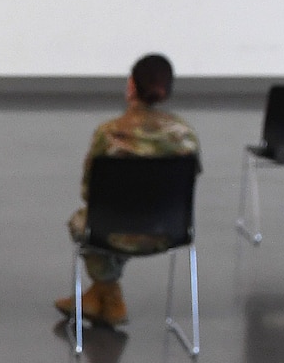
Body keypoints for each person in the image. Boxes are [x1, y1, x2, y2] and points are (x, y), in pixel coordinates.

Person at [53, 53, 200, 327]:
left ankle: (108, 295)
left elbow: (90, 192)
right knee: (116, 218)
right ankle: (101, 298)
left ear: (131, 86)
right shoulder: (186, 135)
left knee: (81, 222)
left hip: (112, 230)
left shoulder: (108, 133)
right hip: (169, 230)